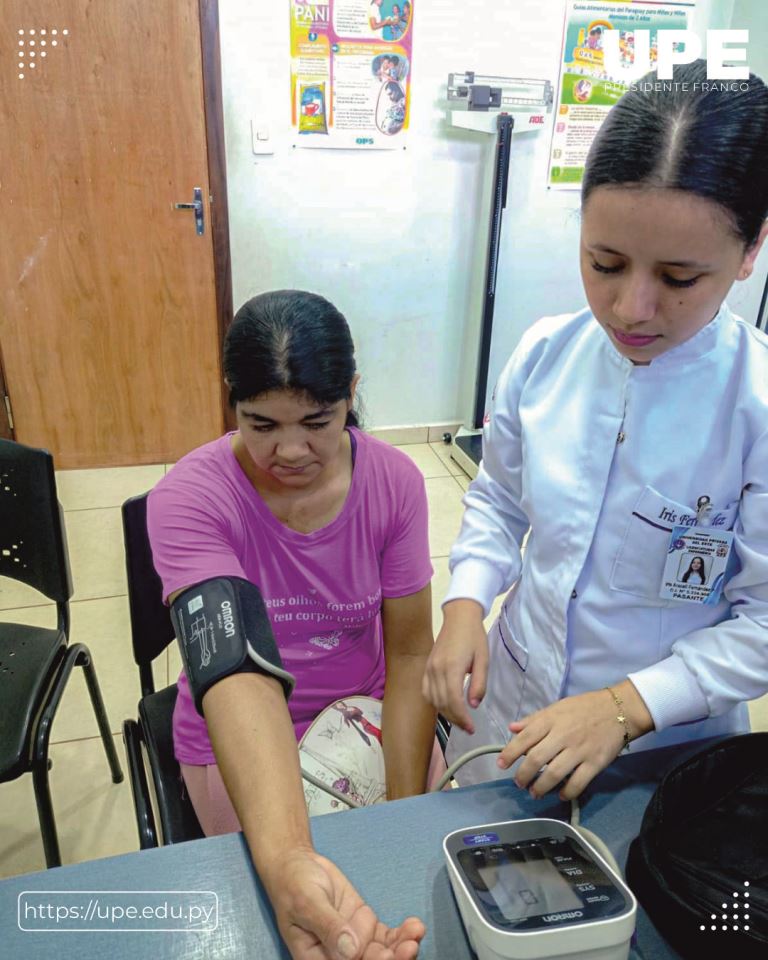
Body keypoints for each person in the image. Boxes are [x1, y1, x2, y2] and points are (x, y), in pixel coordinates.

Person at [423, 59, 768, 799]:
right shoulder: (547, 354)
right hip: (513, 705)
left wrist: (628, 706)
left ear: (750, 253)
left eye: (679, 279)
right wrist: (464, 605)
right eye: (603, 262)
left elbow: (763, 621)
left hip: (665, 748)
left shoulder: (756, 408)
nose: (630, 309)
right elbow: (499, 502)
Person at [148, 290, 435, 960]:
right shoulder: (190, 498)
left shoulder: (394, 483)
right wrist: (286, 859)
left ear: (351, 395)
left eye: (317, 421)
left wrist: (400, 805)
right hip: (240, 735)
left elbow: (413, 653)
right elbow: (234, 668)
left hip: (366, 709)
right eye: (261, 424)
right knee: (288, 913)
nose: (291, 450)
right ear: (231, 403)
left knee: (406, 884)